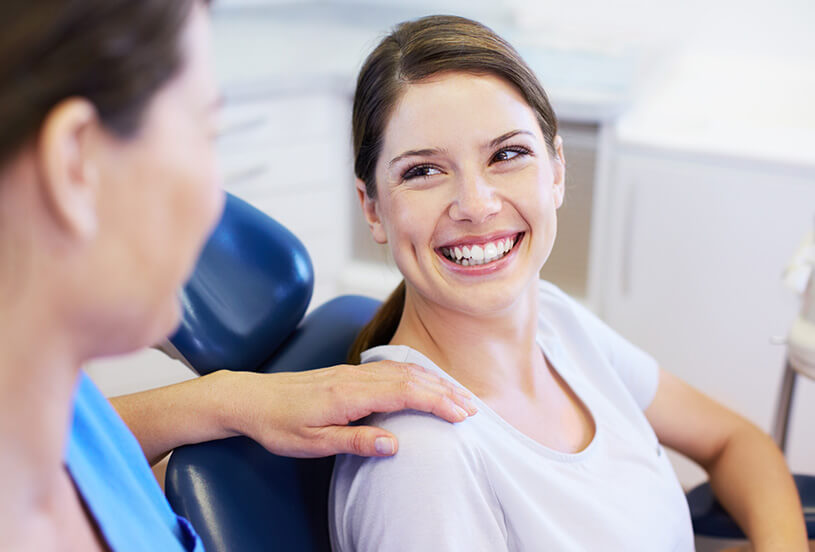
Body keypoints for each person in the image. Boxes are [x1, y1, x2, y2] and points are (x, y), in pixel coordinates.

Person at [0, 2, 478, 550]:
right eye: (204, 134)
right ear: (74, 165)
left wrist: (226, 401)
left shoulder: (49, 399)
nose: (216, 206)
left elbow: (87, 448)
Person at [329, 14, 808, 552]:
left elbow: (734, 442)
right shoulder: (421, 462)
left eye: (507, 155)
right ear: (372, 208)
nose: (477, 205)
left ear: (556, 169)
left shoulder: (556, 323)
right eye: (423, 171)